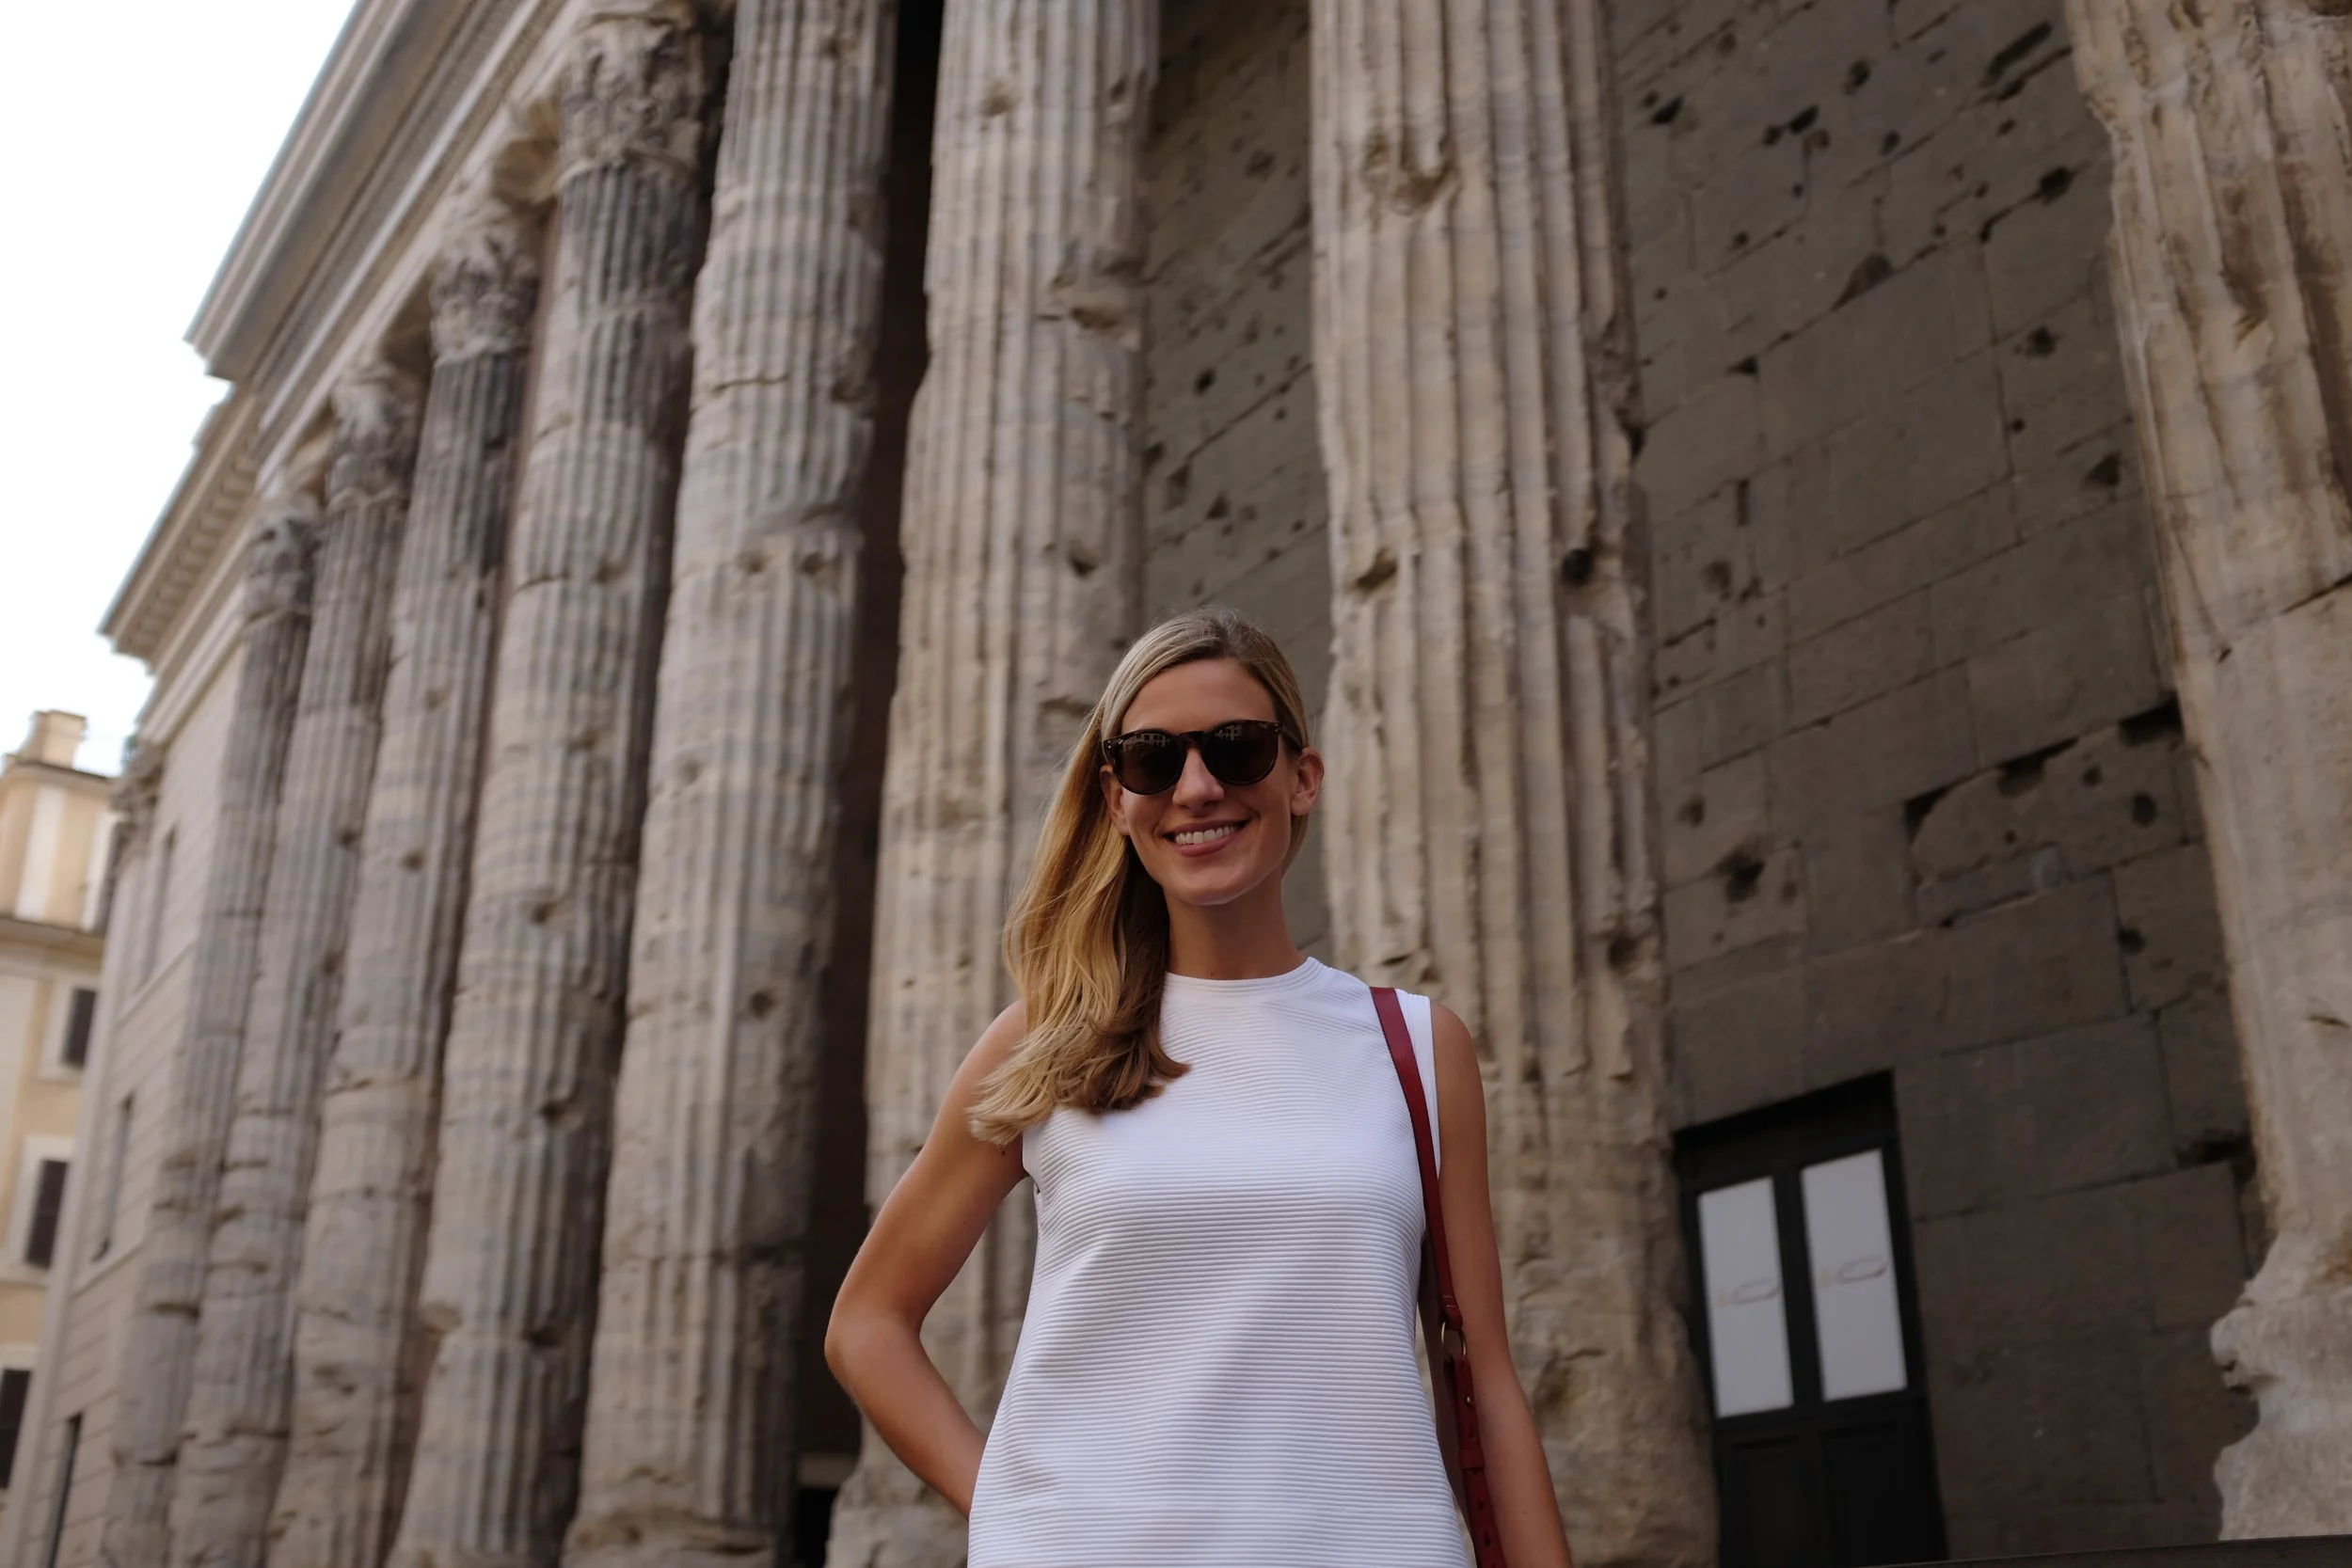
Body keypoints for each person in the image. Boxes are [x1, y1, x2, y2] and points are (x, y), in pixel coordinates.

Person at [826, 607, 1577, 1567]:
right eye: (1150, 758)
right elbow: (866, 1321)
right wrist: (1017, 1516)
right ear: (1114, 795)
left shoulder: (1418, 1046)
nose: (1195, 786)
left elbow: (1483, 1377)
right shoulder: (1049, 1042)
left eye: (1236, 747)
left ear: (1301, 777)